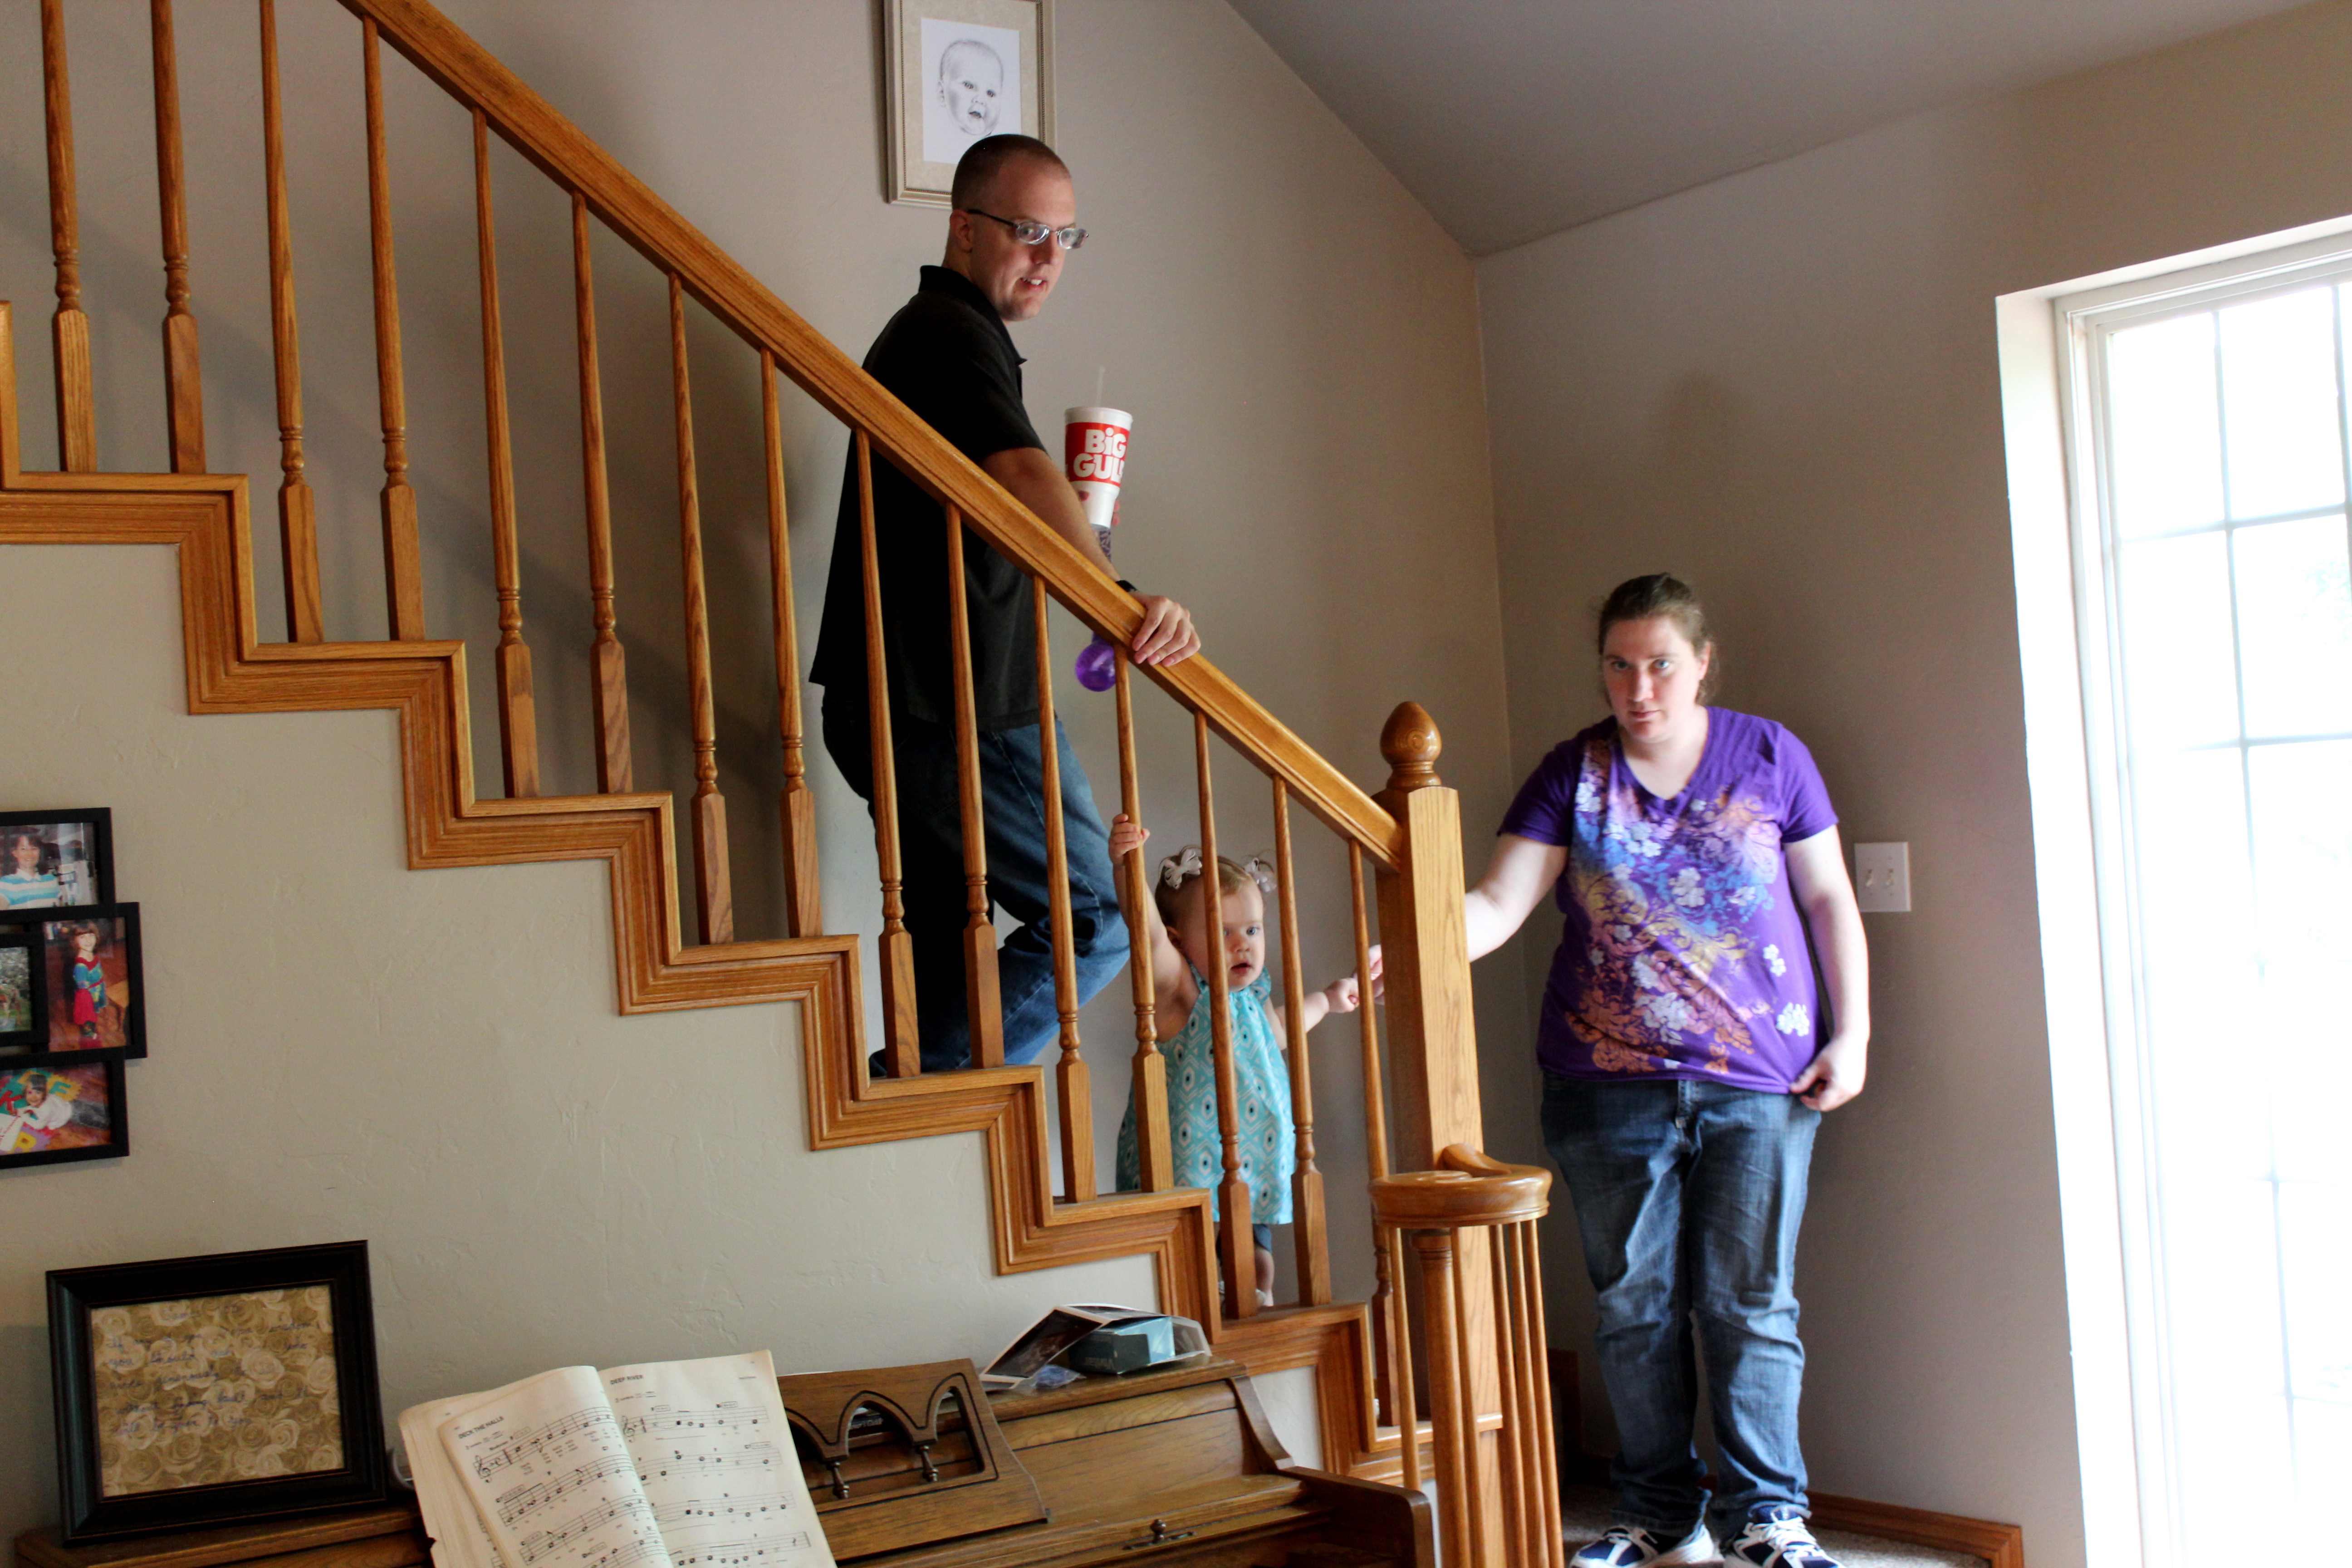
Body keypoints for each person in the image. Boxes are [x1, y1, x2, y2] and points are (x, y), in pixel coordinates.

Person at [1462, 574, 1868, 1568]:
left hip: (1760, 1080)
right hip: (1604, 1086)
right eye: (1618, 665)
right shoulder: (1571, 773)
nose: (1637, 688)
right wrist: (1416, 941)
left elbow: (1828, 899)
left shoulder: (1770, 756)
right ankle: (1657, 1517)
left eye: (1659, 665)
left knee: (1750, 1304)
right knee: (1632, 1308)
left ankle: (1767, 1518)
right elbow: (1498, 905)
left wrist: (1853, 1035)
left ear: (1701, 663)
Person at [812, 134, 1199, 1073]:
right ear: (963, 228)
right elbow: (1022, 471)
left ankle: (916, 1109)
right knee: (1099, 920)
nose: (1048, 257)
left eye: (1067, 238)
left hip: (908, 697)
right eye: (1028, 231)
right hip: (955, 701)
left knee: (954, 938)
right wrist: (1114, 599)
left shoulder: (946, 337)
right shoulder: (948, 331)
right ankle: (901, 1092)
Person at [1105, 813, 1370, 1304]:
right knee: (1197, 1257)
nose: (1242, 943)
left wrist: (1328, 1001)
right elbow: (1147, 933)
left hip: (1252, 1163)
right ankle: (1205, 1302)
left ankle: (1256, 1300)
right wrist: (1126, 869)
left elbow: (1277, 1033)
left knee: (1258, 1257)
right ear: (1180, 942)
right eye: (1222, 931)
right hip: (1189, 1171)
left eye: (1252, 929)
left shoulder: (1253, 995)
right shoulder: (1181, 993)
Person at [936, 39, 1005, 146]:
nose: (981, 100)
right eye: (969, 86)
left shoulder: (1002, 148)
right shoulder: (937, 141)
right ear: (942, 94)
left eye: (990, 93)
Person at [0, 832, 62, 909]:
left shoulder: (51, 880)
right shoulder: (7, 883)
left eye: (34, 849)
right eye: (23, 849)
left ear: (40, 852)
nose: (29, 854)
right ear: (15, 853)